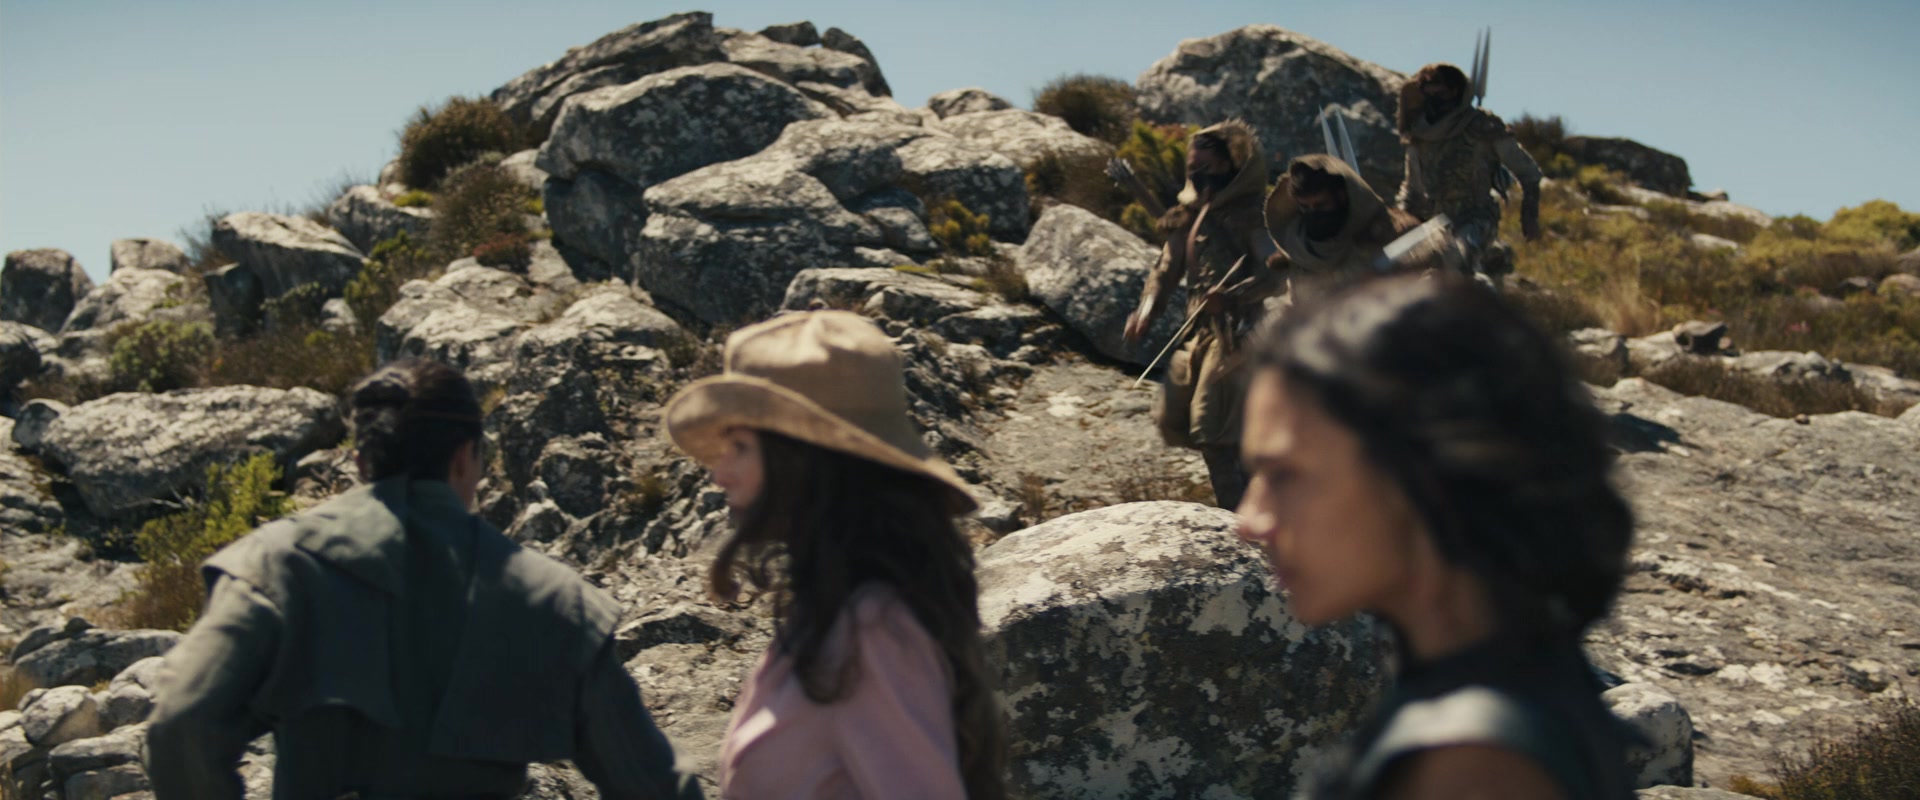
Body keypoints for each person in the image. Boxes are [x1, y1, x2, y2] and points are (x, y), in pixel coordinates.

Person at [146, 359, 701, 800]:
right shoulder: (555, 599)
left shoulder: (275, 565)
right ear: (466, 459)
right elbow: (654, 785)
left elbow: (180, 726)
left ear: (362, 464)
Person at [1234, 274, 1635, 800]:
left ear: (1422, 470)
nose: (1248, 520)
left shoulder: (1476, 768)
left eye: (1284, 475)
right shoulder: (1527, 672)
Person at [663, 310, 1006, 800]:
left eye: (739, 446)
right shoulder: (833, 608)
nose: (719, 474)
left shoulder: (872, 632)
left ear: (805, 460)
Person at [1124, 119, 1283, 509]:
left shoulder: (1253, 215)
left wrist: (1232, 296)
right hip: (1197, 333)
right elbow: (1166, 269)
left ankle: (1239, 519)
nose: (1199, 174)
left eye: (1207, 167)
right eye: (1194, 167)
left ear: (1231, 165)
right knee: (1173, 419)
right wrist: (1146, 310)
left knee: (1212, 428)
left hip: (1238, 337)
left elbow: (1277, 274)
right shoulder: (1188, 215)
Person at [1395, 63, 1544, 288]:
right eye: (1428, 89)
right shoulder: (1420, 134)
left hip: (1475, 219)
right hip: (1434, 222)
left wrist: (1529, 216)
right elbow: (1412, 190)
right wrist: (1400, 225)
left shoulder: (1483, 127)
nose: (1433, 96)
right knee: (1390, 264)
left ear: (1455, 91)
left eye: (1439, 89)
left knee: (1456, 260)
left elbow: (1528, 172)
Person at [1264, 154, 1427, 303]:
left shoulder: (1393, 233)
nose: (1313, 214)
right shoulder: (1299, 246)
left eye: (1321, 205)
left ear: (1341, 196)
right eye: (1305, 207)